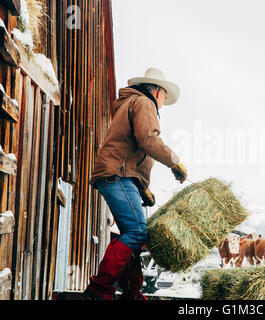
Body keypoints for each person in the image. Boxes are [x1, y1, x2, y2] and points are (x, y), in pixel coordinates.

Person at [81, 68, 188, 300]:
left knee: (132, 234)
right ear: (158, 91)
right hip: (116, 175)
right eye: (164, 98)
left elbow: (131, 153)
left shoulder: (131, 102)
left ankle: (132, 292)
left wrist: (142, 188)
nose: (163, 103)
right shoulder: (144, 103)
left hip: (117, 175)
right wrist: (174, 162)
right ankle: (100, 290)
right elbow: (148, 140)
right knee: (138, 232)